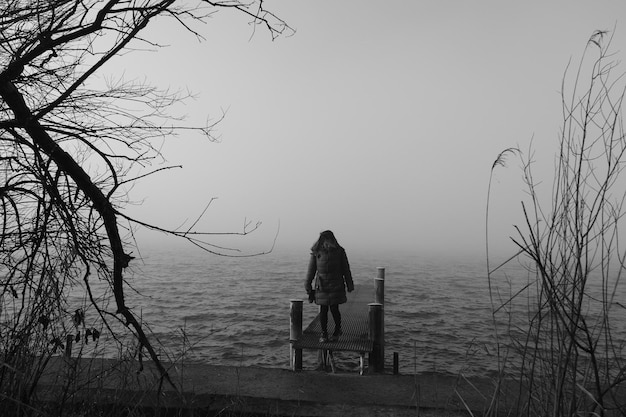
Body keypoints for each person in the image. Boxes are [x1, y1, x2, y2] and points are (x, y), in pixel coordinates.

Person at [305, 230, 354, 342]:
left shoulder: (339, 251)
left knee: (334, 308)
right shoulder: (317, 252)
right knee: (323, 310)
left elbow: (346, 269)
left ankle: (337, 330)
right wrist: (307, 285)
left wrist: (349, 284)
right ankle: (324, 334)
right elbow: (311, 270)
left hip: (335, 284)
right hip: (322, 286)